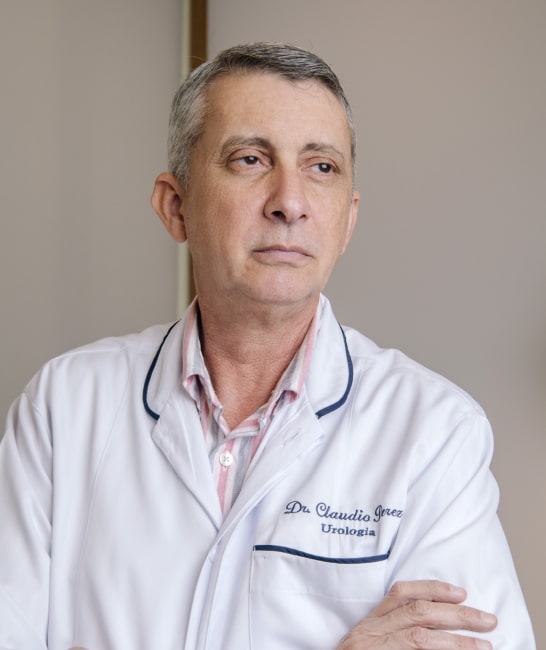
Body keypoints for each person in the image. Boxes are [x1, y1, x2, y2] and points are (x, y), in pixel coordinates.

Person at [0, 42, 535, 650]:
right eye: (250, 159)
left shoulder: (434, 433)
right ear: (176, 207)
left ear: (348, 220)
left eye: (321, 167)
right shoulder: (65, 407)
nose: (290, 202)